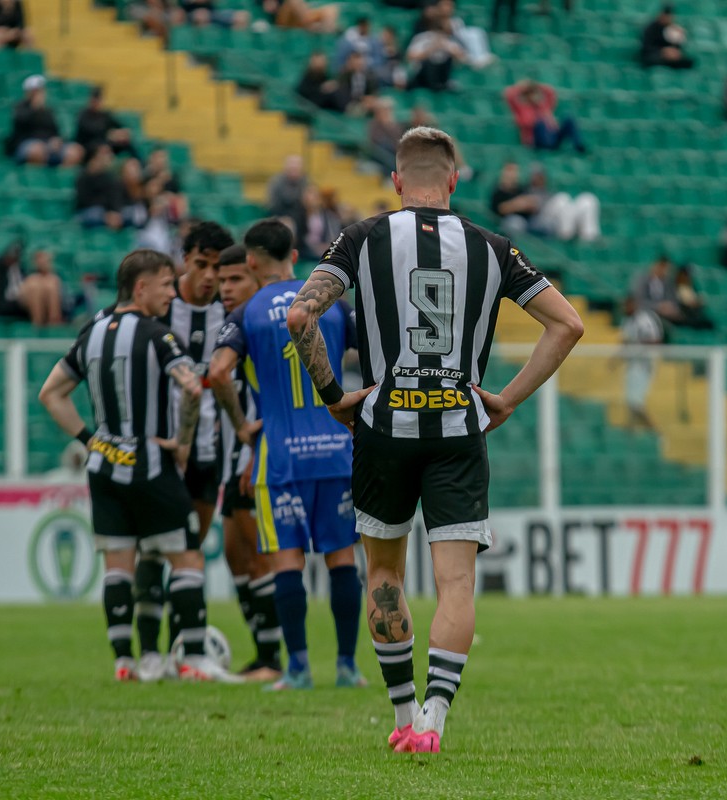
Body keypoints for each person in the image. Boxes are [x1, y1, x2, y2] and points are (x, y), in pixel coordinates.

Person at [285, 127, 583, 752]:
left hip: (384, 427)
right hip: (456, 428)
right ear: (453, 181)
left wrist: (334, 395)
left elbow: (300, 314)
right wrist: (506, 396)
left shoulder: (363, 238)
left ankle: (400, 716)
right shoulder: (493, 246)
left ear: (396, 181)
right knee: (456, 584)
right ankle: (434, 721)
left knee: (385, 572)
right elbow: (567, 324)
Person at [37, 249, 240, 683]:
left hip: (104, 465)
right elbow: (191, 387)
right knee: (187, 559)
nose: (171, 294)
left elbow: (50, 394)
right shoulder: (156, 333)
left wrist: (90, 440)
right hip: (150, 462)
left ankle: (125, 663)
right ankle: (195, 660)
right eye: (167, 285)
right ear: (141, 287)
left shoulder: (90, 331)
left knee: (118, 564)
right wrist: (182, 444)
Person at [209, 219, 366, 693]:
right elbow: (373, 350)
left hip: (280, 457)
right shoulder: (329, 302)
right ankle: (346, 667)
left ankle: (297, 669)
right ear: (294, 256)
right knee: (341, 560)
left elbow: (218, 373)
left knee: (287, 562)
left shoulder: (248, 312)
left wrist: (241, 426)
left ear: (251, 262)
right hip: (337, 450)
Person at [128, 221, 234, 681]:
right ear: (184, 261)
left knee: (190, 548)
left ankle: (181, 652)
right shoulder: (159, 313)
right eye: (201, 264)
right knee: (153, 551)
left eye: (217, 266)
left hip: (208, 451)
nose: (210, 276)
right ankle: (149, 653)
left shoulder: (229, 313)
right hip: (162, 448)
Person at [211, 244, 283, 681]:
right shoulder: (232, 324)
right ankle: (263, 652)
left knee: (259, 558)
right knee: (235, 557)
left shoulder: (259, 323)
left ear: (255, 277)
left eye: (235, 279)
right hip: (233, 453)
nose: (226, 289)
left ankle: (274, 657)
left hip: (259, 452)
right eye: (222, 281)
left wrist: (252, 443)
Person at [0, 244, 63, 326]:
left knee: (50, 282)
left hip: (28, 302)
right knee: (34, 284)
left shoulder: (24, 268)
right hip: (7, 302)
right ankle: (38, 325)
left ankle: (53, 322)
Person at [6, 75, 84, 168]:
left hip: (48, 145)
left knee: (75, 151)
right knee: (37, 150)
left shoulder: (48, 111)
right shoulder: (20, 108)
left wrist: (57, 140)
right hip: (27, 144)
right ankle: (36, 179)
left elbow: (55, 131)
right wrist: (34, 108)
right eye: (36, 92)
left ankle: (59, 179)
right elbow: (20, 125)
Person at [503, 79, 586, 153]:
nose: (533, 96)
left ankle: (578, 145)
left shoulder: (544, 106)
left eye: (534, 93)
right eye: (530, 94)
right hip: (536, 141)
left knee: (568, 118)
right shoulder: (522, 108)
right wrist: (522, 87)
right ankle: (547, 146)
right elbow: (509, 94)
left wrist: (535, 85)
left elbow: (551, 92)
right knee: (540, 122)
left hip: (553, 137)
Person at [620, 308, 662, 430]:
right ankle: (630, 430)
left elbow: (656, 340)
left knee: (636, 403)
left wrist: (639, 349)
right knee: (631, 402)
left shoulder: (644, 320)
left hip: (644, 366)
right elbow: (624, 343)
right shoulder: (627, 322)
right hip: (632, 365)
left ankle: (654, 432)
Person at [75, 86, 137, 159]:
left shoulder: (105, 115)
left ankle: (140, 163)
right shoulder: (83, 115)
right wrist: (109, 135)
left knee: (126, 143)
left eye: (98, 100)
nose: (97, 103)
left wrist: (121, 133)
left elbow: (119, 126)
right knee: (104, 149)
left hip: (105, 142)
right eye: (95, 100)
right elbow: (90, 131)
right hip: (89, 145)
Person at [405, 19, 465, 92]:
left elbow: (463, 58)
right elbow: (410, 56)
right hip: (422, 76)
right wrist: (431, 49)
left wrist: (447, 48)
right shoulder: (423, 38)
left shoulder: (448, 41)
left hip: (442, 76)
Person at [638, 5, 693, 70]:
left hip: (670, 57)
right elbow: (646, 46)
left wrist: (675, 50)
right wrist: (663, 51)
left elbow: (677, 47)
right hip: (654, 55)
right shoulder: (650, 28)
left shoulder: (673, 29)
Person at [266, 155, 308, 237]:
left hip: (301, 218)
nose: (294, 172)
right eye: (292, 169)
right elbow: (272, 205)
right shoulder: (277, 182)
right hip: (280, 215)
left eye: (296, 169)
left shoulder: (304, 182)